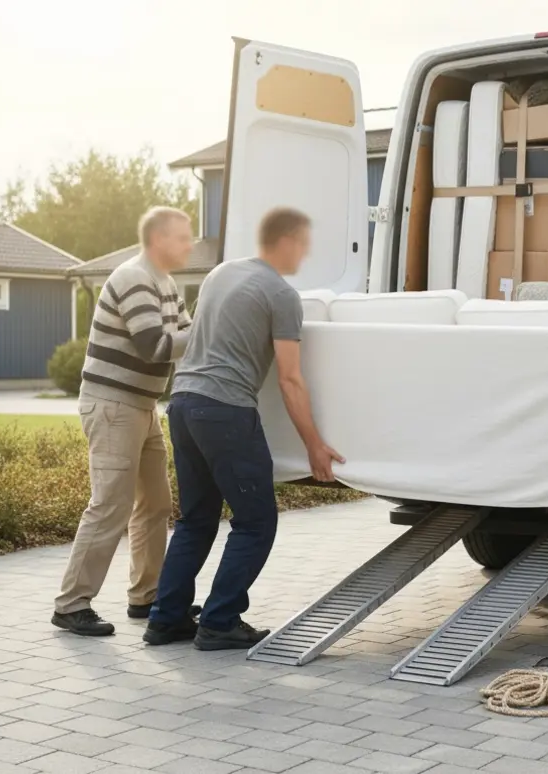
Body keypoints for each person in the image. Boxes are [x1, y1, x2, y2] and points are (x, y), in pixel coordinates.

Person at [145, 206, 343, 650]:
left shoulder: (220, 274)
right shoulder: (281, 294)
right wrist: (314, 445)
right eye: (304, 244)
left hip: (183, 403)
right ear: (287, 241)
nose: (305, 254)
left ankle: (166, 619)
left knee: (196, 520)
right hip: (226, 410)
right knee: (256, 522)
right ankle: (219, 621)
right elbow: (290, 379)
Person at [52, 206, 197, 637]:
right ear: (158, 240)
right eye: (183, 237)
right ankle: (71, 604)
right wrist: (211, 329)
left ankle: (146, 596)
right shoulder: (134, 278)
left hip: (142, 407)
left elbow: (189, 339)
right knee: (110, 505)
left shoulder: (166, 284)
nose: (190, 245)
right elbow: (156, 346)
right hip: (113, 406)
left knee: (155, 504)